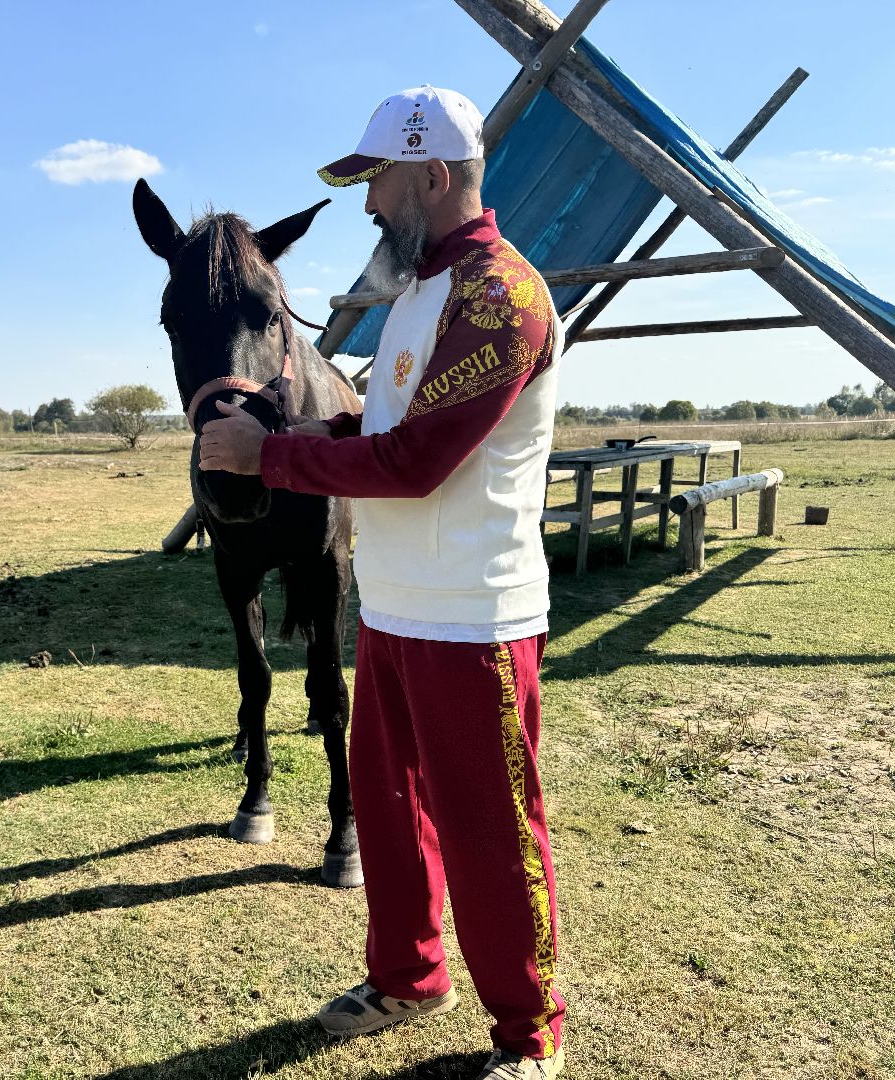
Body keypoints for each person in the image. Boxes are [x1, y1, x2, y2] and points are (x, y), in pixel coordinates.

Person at [198, 85, 566, 1080]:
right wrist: (300, 434)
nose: (364, 205)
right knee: (392, 809)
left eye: (378, 182)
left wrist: (268, 462)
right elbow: (384, 430)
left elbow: (418, 463)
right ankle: (408, 975)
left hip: (475, 618)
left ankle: (530, 1033)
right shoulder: (416, 298)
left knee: (492, 832)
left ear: (433, 176)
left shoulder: (501, 298)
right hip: (399, 607)